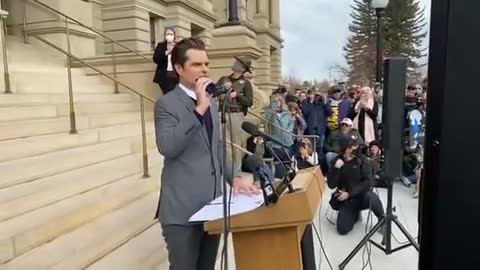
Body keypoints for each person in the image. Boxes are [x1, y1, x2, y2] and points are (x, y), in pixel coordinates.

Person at [153, 37, 259, 270]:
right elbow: (167, 147)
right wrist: (198, 110)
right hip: (182, 212)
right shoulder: (167, 104)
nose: (204, 70)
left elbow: (217, 146)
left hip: (212, 207)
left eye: (206, 64)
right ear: (179, 68)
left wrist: (235, 178)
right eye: (197, 65)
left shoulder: (210, 103)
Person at [327, 135, 385, 235]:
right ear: (345, 148)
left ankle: (382, 220)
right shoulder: (337, 161)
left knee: (372, 197)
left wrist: (350, 193)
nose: (354, 149)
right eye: (351, 147)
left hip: (360, 196)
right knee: (342, 229)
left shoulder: (361, 159)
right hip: (347, 201)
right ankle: (355, 215)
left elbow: (368, 181)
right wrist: (336, 169)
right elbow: (331, 185)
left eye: (355, 146)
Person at [216, 56, 254, 172]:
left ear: (242, 68)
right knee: (224, 143)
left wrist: (237, 95)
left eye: (238, 63)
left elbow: (249, 101)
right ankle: (226, 169)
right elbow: (213, 91)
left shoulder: (246, 83)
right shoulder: (224, 79)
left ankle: (236, 170)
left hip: (236, 115)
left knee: (236, 144)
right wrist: (222, 89)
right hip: (222, 113)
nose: (235, 64)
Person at [153, 27, 178, 95]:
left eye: (171, 34)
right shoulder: (161, 46)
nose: (169, 36)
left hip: (176, 75)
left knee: (177, 94)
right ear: (165, 36)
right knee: (169, 94)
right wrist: (167, 52)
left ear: (174, 36)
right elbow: (156, 59)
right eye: (167, 34)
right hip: (165, 75)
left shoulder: (178, 46)